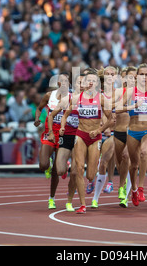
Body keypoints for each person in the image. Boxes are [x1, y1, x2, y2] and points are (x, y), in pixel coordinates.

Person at [61, 71, 113, 213]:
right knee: (78, 169)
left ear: (97, 84)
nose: (90, 83)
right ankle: (83, 205)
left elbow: (111, 119)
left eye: (93, 81)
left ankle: (94, 169)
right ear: (84, 84)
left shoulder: (101, 99)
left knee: (90, 175)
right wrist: (62, 126)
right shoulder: (77, 98)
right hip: (81, 135)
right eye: (87, 80)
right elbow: (65, 115)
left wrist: (99, 131)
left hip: (95, 137)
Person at [116, 64, 147, 207]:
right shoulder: (130, 91)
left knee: (144, 152)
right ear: (137, 76)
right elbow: (117, 108)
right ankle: (134, 189)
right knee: (133, 165)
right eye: (141, 74)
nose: (144, 77)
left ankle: (141, 188)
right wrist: (133, 107)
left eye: (146, 74)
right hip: (133, 130)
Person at [47, 73, 84, 210]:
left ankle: (69, 201)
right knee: (59, 170)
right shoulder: (67, 98)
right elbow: (51, 115)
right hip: (66, 135)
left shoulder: (89, 100)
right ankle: (65, 164)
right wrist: (55, 130)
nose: (81, 86)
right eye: (78, 83)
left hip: (79, 137)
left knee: (75, 172)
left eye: (83, 83)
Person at [34, 72, 71, 208]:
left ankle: (51, 198)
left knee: (56, 170)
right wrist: (37, 119)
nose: (64, 83)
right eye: (61, 81)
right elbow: (39, 109)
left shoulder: (71, 98)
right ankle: (48, 163)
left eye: (66, 81)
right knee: (43, 165)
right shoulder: (50, 96)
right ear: (58, 83)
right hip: (49, 133)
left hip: (63, 133)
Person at [90, 66, 118, 209]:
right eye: (107, 74)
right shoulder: (97, 93)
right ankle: (91, 179)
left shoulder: (120, 94)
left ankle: (95, 199)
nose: (109, 76)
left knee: (103, 162)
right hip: (97, 132)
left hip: (112, 133)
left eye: (112, 74)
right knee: (93, 163)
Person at [112, 66, 136, 207]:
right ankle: (125, 189)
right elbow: (110, 106)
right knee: (120, 165)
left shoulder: (139, 94)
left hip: (132, 132)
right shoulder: (118, 92)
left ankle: (123, 193)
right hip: (118, 131)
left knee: (127, 158)